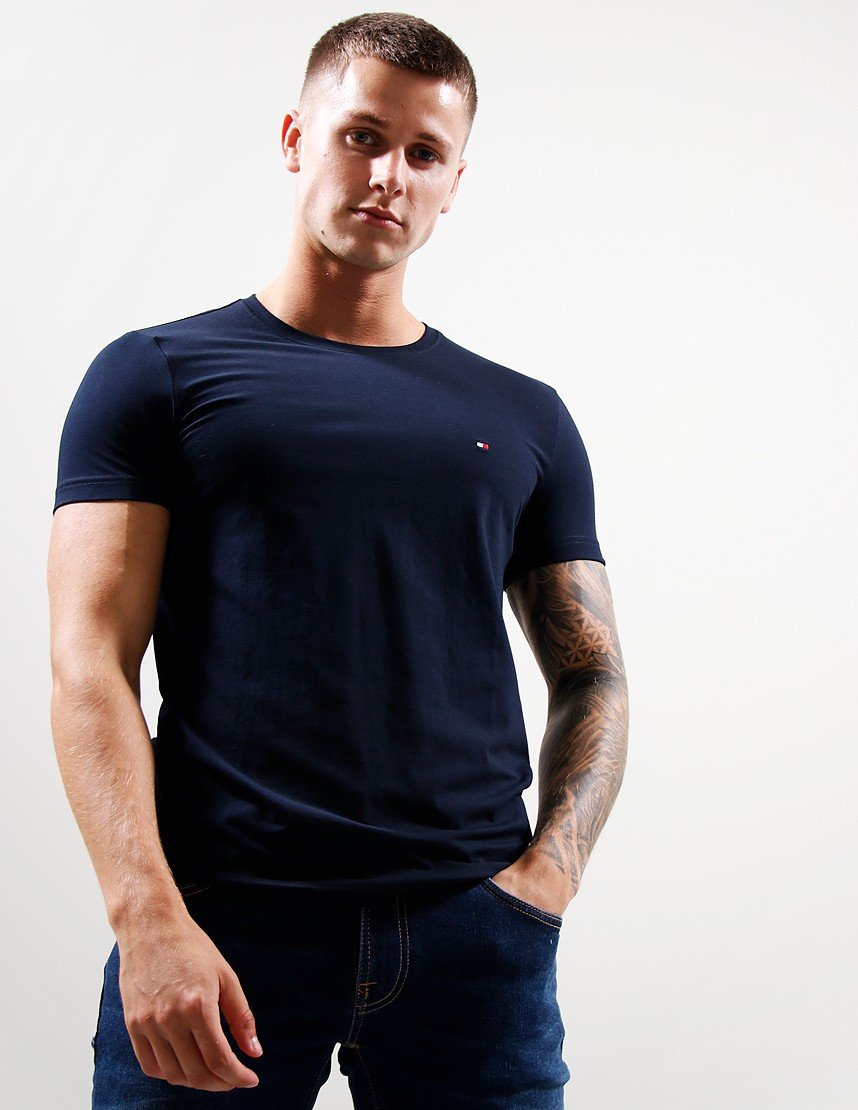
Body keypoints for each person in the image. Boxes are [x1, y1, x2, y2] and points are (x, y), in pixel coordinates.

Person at [47, 11, 628, 1108]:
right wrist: (146, 915)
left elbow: (592, 671)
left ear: (454, 182)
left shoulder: (525, 416)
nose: (389, 176)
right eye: (363, 136)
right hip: (222, 927)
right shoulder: (157, 376)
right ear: (295, 138)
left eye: (425, 153)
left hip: (473, 936)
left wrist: (546, 882)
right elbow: (90, 666)